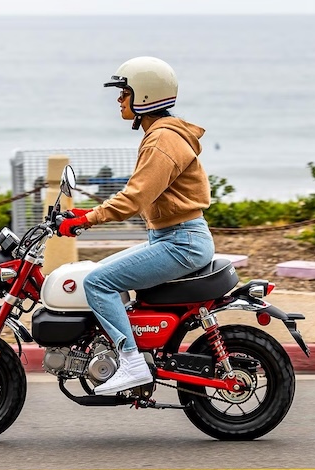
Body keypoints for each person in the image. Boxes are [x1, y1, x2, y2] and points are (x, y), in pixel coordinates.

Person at [57, 56, 215, 395]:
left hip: (181, 242)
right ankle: (127, 351)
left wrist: (87, 220)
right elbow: (140, 194)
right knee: (99, 273)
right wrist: (87, 212)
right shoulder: (161, 135)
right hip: (173, 238)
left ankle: (131, 363)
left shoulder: (162, 141)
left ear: (145, 96)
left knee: (97, 282)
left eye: (125, 92)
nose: (119, 99)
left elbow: (135, 198)